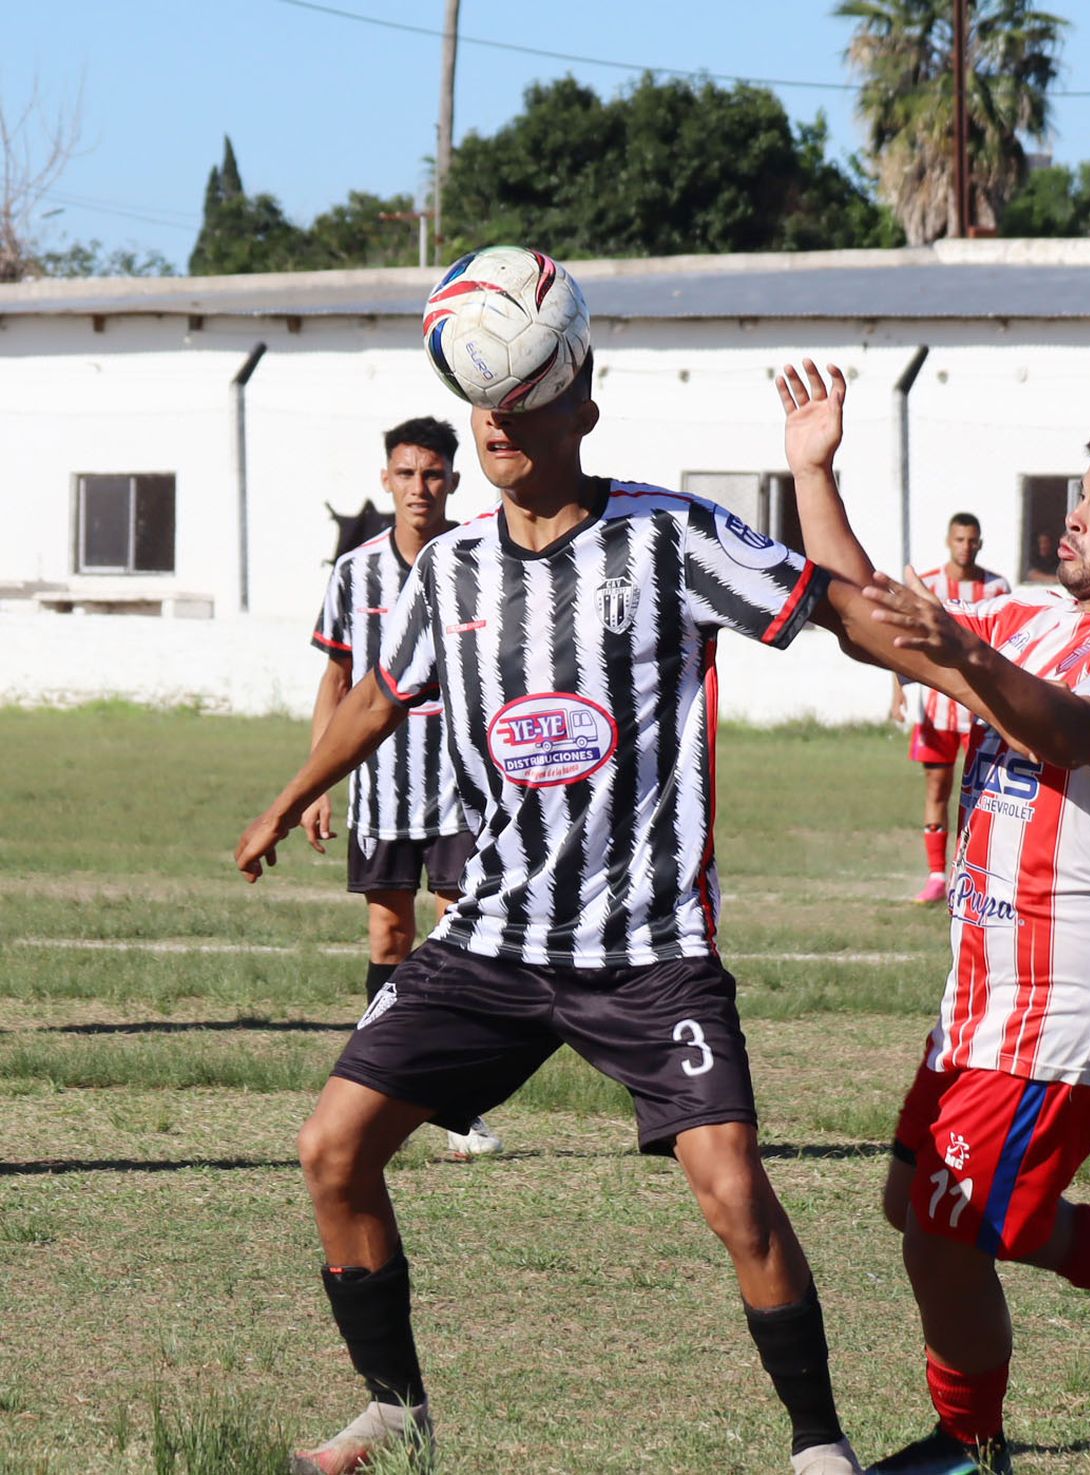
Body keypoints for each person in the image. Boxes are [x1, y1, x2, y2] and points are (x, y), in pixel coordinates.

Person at [236, 340, 869, 1475]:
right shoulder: (453, 569)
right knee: (333, 1148)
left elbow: (836, 609)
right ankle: (394, 1409)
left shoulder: (669, 535)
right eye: (482, 401)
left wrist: (964, 671)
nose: (494, 423)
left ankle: (819, 1444)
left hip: (648, 946)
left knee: (734, 1192)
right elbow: (381, 694)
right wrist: (288, 799)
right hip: (489, 936)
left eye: (522, 399)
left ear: (582, 406)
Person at [777, 361, 1090, 1475]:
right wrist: (816, 471)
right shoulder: (1025, 613)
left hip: (1066, 1005)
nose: (1078, 513)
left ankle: (968, 1445)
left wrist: (958, 652)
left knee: (960, 1223)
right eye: (1082, 491)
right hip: (980, 999)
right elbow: (863, 609)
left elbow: (1072, 732)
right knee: (922, 1208)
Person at [304, 416, 500, 1160]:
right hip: (382, 790)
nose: (420, 487)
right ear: (386, 479)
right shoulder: (355, 572)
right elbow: (335, 679)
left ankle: (459, 1105)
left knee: (458, 935)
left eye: (434, 474)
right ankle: (381, 1084)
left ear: (454, 479)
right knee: (390, 934)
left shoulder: (478, 558)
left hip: (464, 788)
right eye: (406, 473)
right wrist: (320, 782)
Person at [892, 515, 1010, 903]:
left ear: (980, 543)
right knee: (937, 786)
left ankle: (975, 874)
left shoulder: (996, 588)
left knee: (984, 794)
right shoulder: (929, 585)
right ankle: (937, 875)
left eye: (972, 540)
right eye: (960, 539)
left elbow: (1006, 642)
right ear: (949, 540)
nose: (966, 546)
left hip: (980, 708)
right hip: (937, 708)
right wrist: (898, 691)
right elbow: (905, 640)